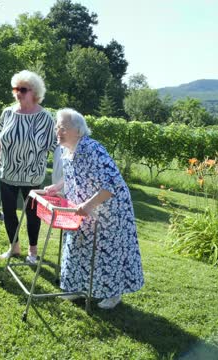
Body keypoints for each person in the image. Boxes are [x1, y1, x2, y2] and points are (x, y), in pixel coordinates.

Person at [44, 108, 144, 309]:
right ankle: (74, 288)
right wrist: (58, 186)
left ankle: (113, 294)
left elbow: (113, 184)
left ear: (78, 131)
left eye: (63, 127)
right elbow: (72, 174)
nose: (58, 131)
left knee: (107, 251)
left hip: (110, 210)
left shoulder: (92, 149)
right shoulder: (65, 149)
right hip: (84, 208)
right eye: (57, 127)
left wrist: (88, 205)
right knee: (77, 244)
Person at [0, 70, 57, 264]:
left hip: (33, 177)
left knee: (32, 216)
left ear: (34, 92)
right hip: (7, 173)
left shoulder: (46, 118)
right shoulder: (8, 113)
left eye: (22, 89)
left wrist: (61, 180)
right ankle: (14, 247)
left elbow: (56, 149)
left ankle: (32, 253)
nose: (18, 93)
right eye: (15, 88)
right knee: (9, 212)